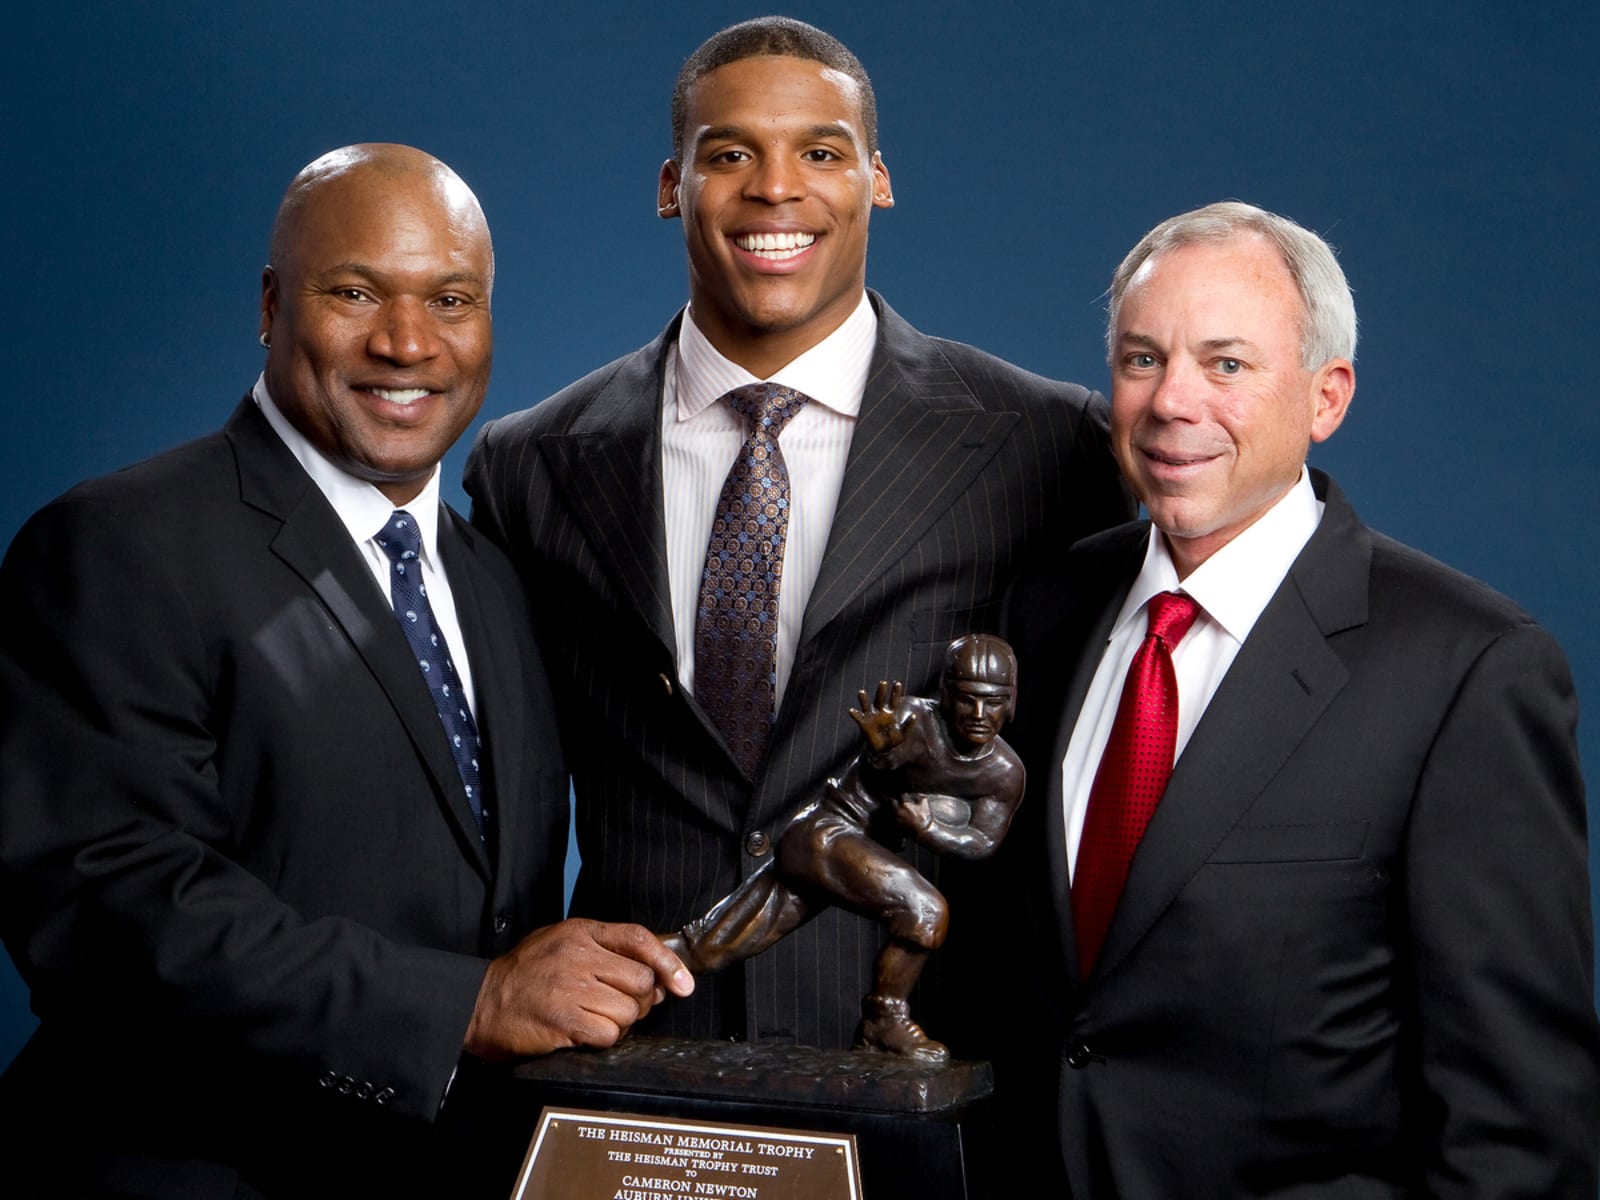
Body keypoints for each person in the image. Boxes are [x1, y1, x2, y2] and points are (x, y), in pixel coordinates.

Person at [0, 143, 690, 1199]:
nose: (406, 342)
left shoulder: (496, 584)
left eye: (449, 299)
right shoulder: (119, 543)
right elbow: (109, 909)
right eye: (355, 291)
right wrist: (465, 1005)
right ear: (273, 306)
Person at [465, 16, 1130, 1051]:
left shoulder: (1050, 449)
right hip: (631, 1068)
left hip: (928, 1074)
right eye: (728, 154)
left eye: (819, 152)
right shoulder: (527, 464)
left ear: (876, 178)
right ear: (669, 185)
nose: (776, 188)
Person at [996, 201, 1600, 1195]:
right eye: (1142, 359)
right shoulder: (1043, 612)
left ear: (1325, 399)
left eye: (1226, 366)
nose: (1171, 402)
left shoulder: (1467, 669)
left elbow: (1521, 1126)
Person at [664, 635, 1024, 1063]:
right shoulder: (910, 719)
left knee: (717, 942)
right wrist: (885, 755)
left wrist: (928, 829)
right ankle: (882, 1022)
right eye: (967, 700)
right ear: (945, 694)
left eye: (994, 701)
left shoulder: (1004, 773)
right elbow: (881, 767)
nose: (980, 715)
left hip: (852, 856)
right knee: (926, 911)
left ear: (1012, 700)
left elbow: (981, 841)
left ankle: (631, 973)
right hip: (826, 835)